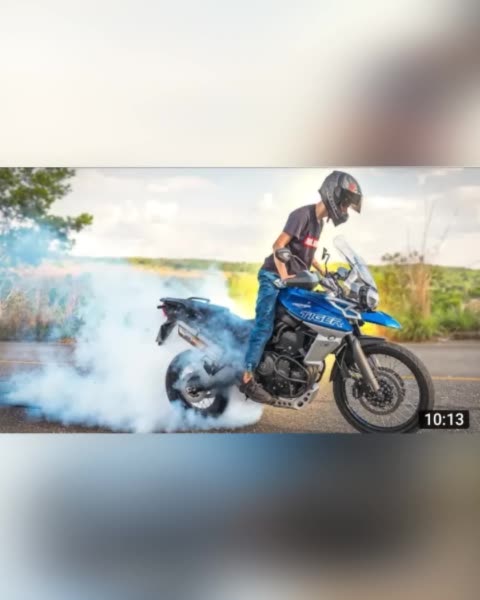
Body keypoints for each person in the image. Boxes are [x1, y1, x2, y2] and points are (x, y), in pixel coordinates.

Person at [240, 170, 363, 404]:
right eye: (345, 204)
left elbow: (307, 253)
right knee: (264, 325)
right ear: (333, 195)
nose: (345, 210)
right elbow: (278, 246)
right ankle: (247, 377)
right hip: (273, 276)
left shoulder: (319, 224)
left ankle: (291, 363)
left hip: (297, 280)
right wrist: (284, 276)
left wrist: (325, 273)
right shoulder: (301, 215)